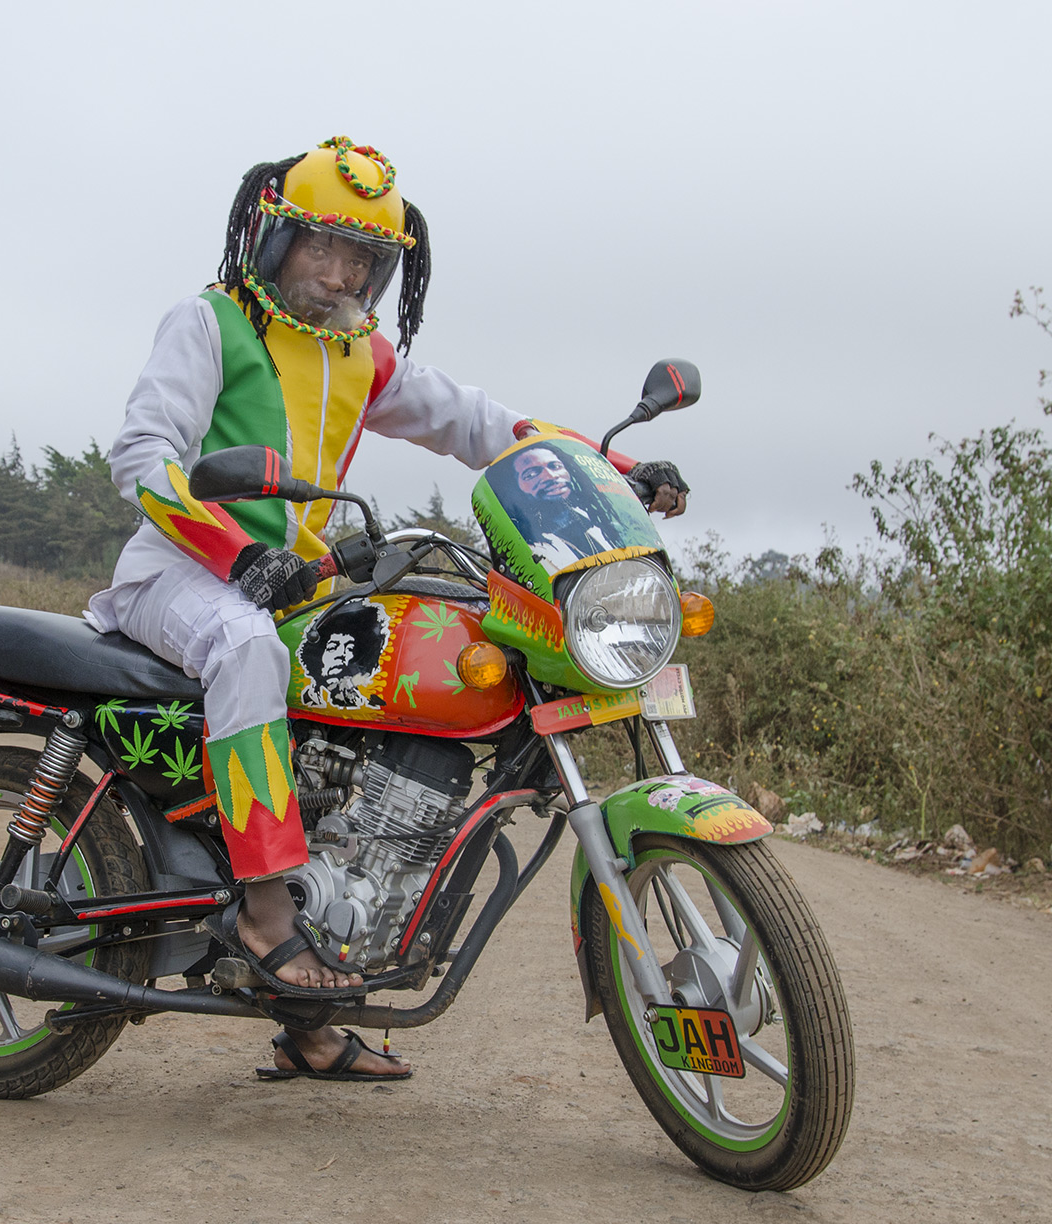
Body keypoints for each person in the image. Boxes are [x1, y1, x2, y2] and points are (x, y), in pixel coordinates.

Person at [84, 137, 688, 1079]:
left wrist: (610, 467)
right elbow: (143, 457)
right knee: (248, 652)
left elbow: (481, 424)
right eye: (323, 248)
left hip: (295, 575)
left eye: (365, 259)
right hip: (180, 572)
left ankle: (317, 1002)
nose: (342, 274)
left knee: (402, 650)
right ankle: (266, 914)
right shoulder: (209, 323)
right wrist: (239, 556)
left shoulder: (359, 354)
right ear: (273, 237)